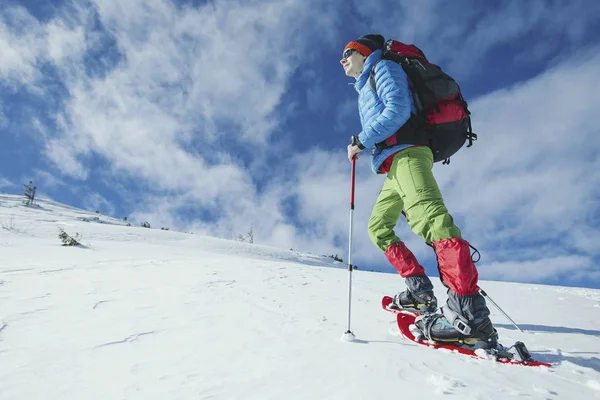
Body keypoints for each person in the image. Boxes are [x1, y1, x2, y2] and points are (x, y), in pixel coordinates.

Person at [341, 34, 498, 349]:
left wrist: (362, 140)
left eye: (348, 53)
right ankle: (420, 293)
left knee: (432, 221)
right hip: (393, 164)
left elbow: (398, 110)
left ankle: (469, 317)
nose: (343, 59)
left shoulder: (382, 67)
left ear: (364, 53)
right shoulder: (366, 82)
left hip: (408, 154)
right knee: (378, 227)